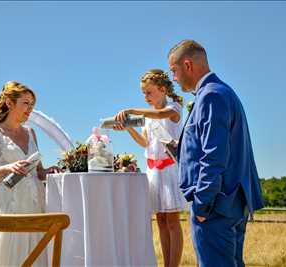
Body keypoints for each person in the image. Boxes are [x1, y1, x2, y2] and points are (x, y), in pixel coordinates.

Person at [168, 40, 264, 267]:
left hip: (215, 207)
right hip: (229, 202)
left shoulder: (210, 96)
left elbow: (214, 156)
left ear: (188, 65)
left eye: (174, 71)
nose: (174, 78)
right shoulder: (221, 92)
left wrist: (201, 206)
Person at [0, 81, 56, 266]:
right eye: (26, 103)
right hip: (6, 206)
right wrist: (6, 168)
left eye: (32, 104)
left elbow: (38, 171)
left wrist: (49, 171)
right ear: (9, 103)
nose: (30, 109)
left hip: (34, 204)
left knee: (35, 254)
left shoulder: (31, 133)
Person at [113, 69, 186, 267]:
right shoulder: (148, 116)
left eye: (149, 92)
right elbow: (145, 142)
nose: (146, 97)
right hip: (154, 172)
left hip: (170, 170)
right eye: (143, 93)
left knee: (172, 221)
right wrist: (129, 127)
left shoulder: (174, 107)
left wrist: (133, 111)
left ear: (163, 90)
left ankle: (174, 265)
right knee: (161, 221)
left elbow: (162, 114)